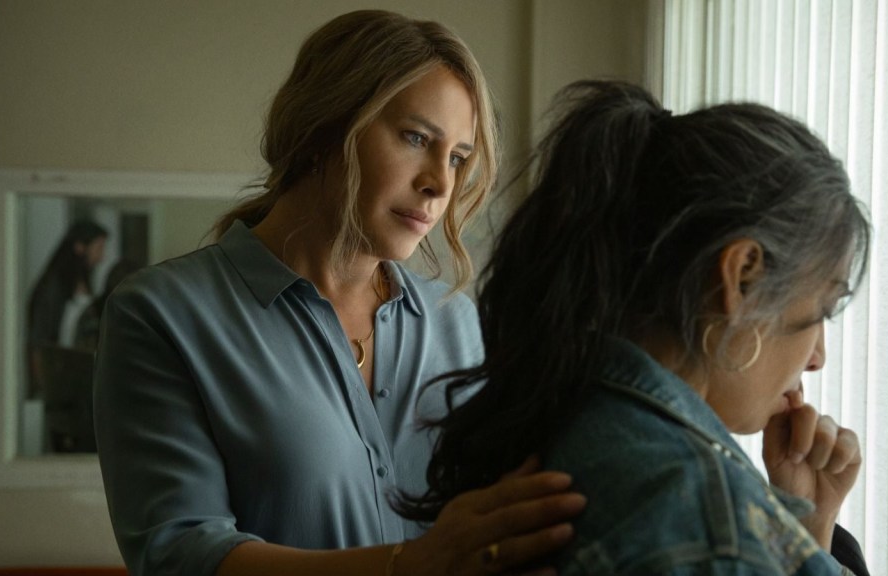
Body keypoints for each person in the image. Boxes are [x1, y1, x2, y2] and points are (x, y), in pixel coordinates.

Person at [93, 10, 584, 576]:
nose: (440, 184)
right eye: (416, 138)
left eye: (457, 157)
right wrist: (409, 565)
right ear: (323, 129)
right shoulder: (161, 315)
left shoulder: (457, 322)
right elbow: (179, 554)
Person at [398, 81, 872, 575]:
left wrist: (806, 531)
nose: (817, 356)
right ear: (741, 277)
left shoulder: (560, 413)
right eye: (821, 308)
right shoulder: (707, 527)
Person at [26, 218, 108, 397]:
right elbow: (38, 342)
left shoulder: (84, 283)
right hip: (58, 377)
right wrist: (43, 389)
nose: (101, 257)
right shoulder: (53, 288)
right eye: (99, 247)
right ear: (80, 247)